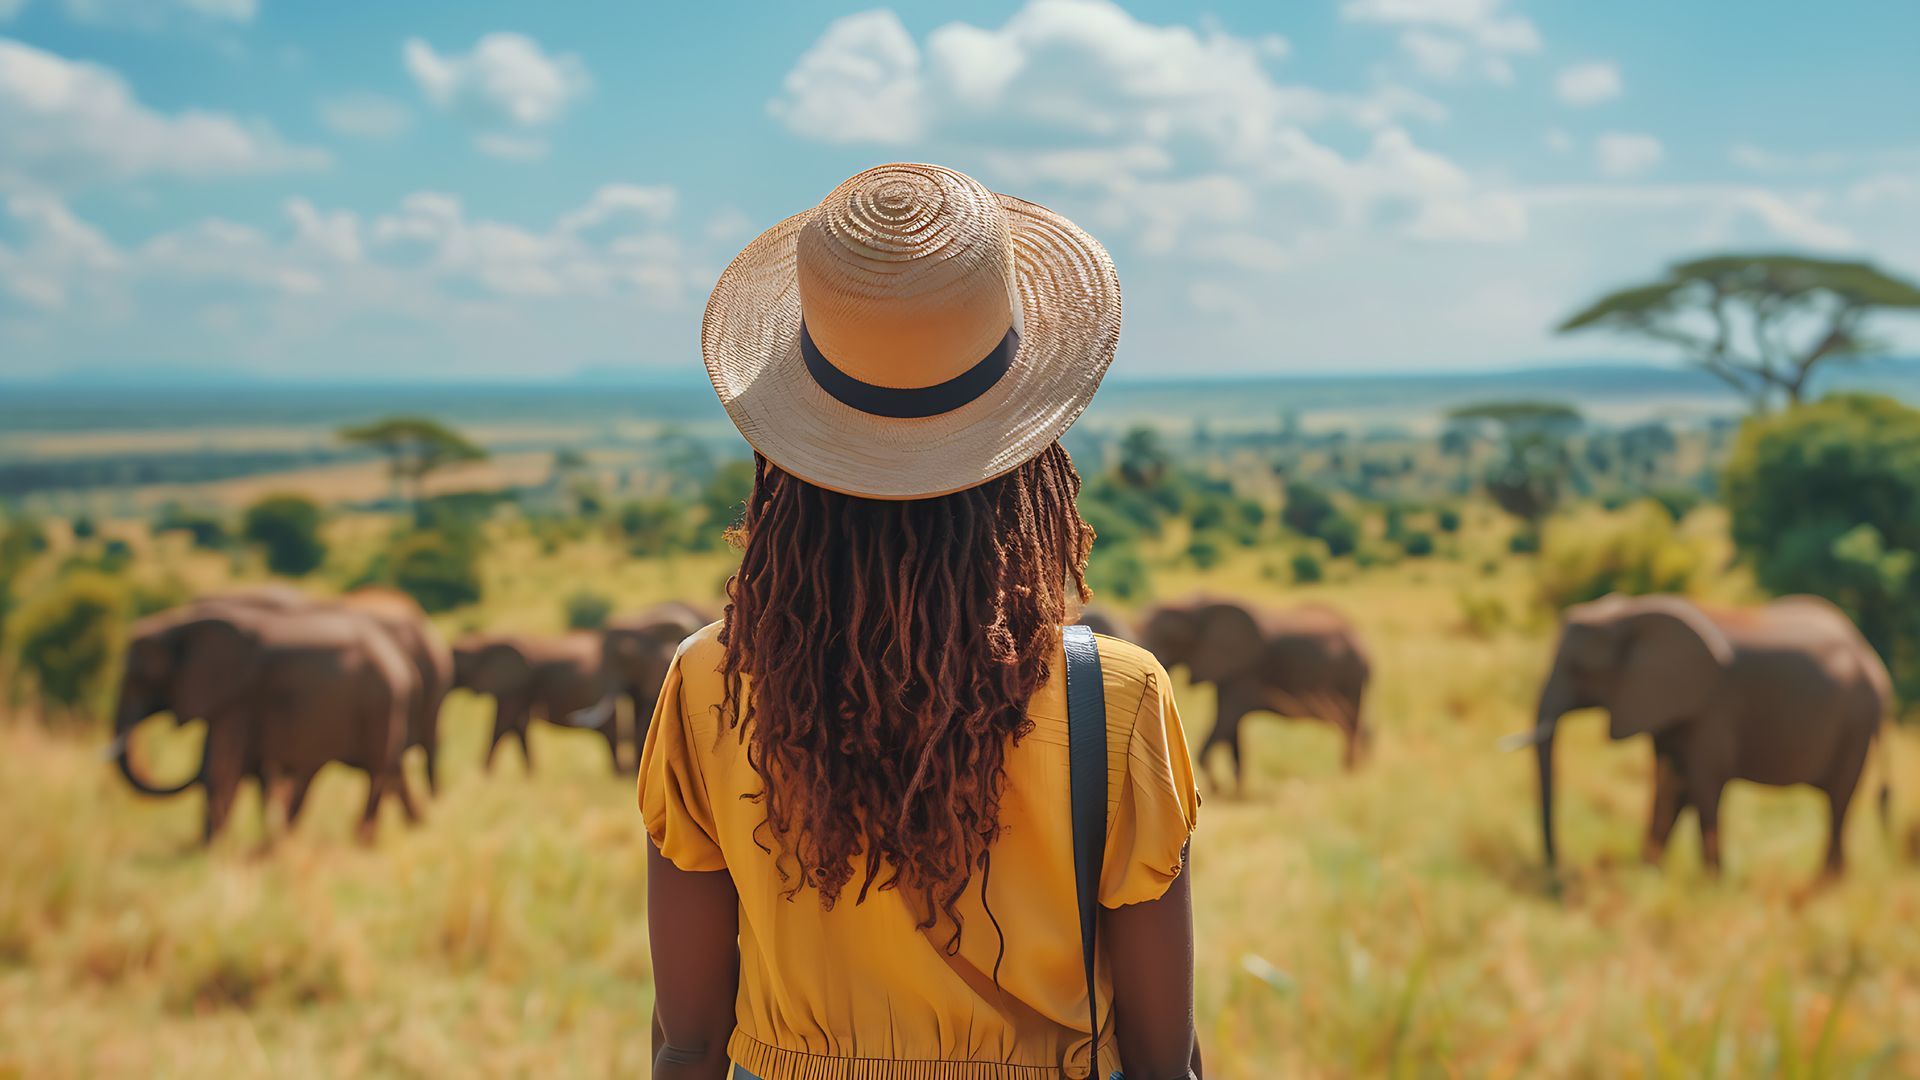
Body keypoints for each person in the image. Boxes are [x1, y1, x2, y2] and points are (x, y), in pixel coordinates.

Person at [641, 163, 1202, 1079]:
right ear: (1031, 451)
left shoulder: (710, 682)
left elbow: (690, 1043)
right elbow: (1161, 1060)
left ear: (787, 455)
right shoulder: (1117, 699)